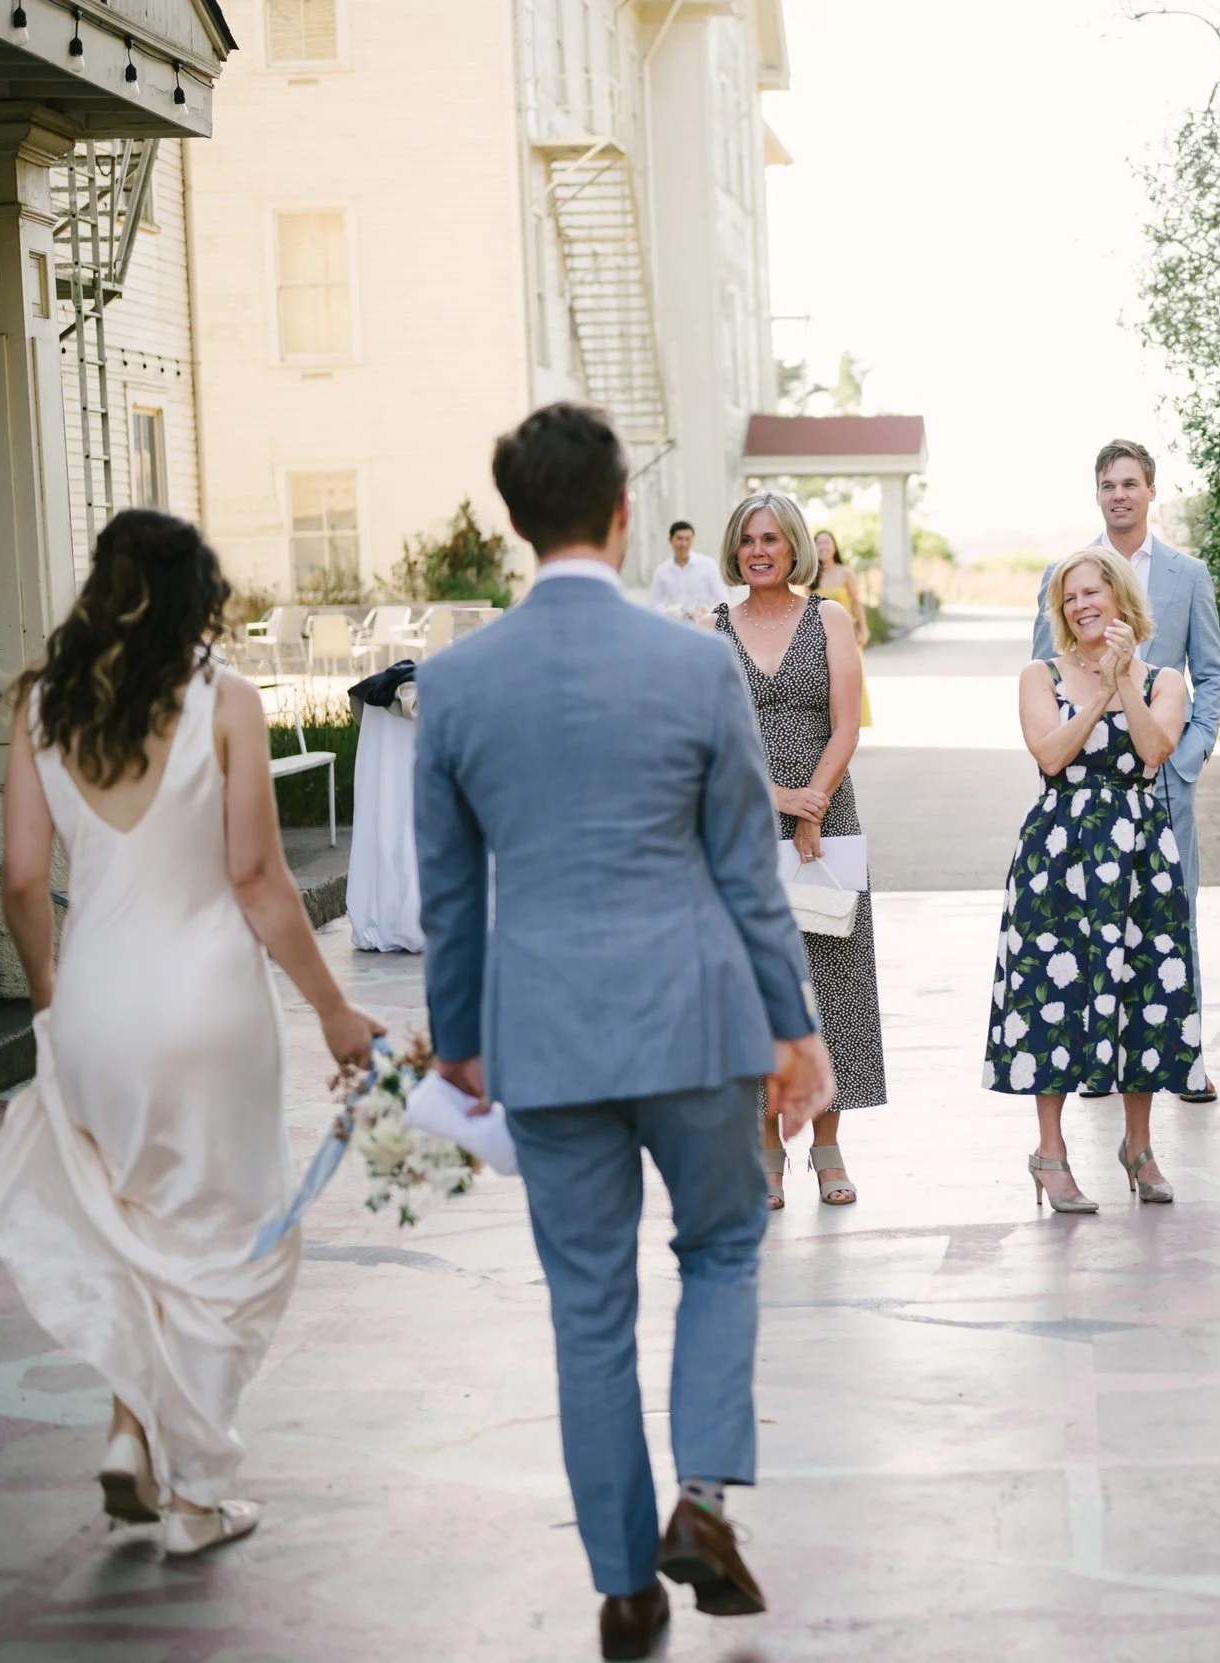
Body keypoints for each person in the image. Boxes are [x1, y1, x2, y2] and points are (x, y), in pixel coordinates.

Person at [416, 404, 836, 1660]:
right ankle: (700, 1498)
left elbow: (449, 895)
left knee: (587, 1307)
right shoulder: (692, 661)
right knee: (718, 1251)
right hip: (697, 1020)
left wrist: (458, 1042)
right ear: (617, 516)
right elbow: (746, 871)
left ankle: (621, 1585)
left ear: (514, 522)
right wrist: (794, 1028)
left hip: (545, 1035)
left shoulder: (456, 679)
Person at [0, 509, 384, 1556]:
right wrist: (334, 1008)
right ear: (199, 593)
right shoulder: (224, 701)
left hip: (97, 998)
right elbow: (254, 877)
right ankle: (194, 1497)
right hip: (209, 1009)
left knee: (133, 1223)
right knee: (224, 1236)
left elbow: (21, 878)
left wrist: (49, 989)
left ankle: (126, 1433)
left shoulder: (40, 704)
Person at [988, 549, 1198, 1209]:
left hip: (1140, 855)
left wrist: (1124, 682)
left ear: (1120, 602)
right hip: (1058, 853)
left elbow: (1155, 751)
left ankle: (1138, 1145)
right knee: (1053, 993)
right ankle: (1049, 1153)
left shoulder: (1165, 681)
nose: (1081, 604)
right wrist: (1098, 694)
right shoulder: (1038, 674)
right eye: (1069, 596)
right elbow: (1050, 756)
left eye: (1092, 593)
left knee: (1143, 993)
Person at [1030, 440, 1220, 1103]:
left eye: (1131, 483)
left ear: (1150, 491)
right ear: (1098, 493)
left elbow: (1208, 674)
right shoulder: (1068, 574)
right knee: (1091, 921)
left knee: (1173, 915)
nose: (1120, 494)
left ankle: (1186, 1058)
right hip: (1087, 787)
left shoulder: (1188, 574)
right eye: (1109, 484)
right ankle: (1098, 1055)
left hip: (1163, 771)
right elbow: (1048, 672)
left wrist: (1189, 756)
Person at [714, 495, 888, 1208]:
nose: (761, 550)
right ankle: (764, 1149)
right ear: (736, 548)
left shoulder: (830, 617)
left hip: (827, 819)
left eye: (774, 539)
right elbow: (709, 738)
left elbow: (846, 723)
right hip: (741, 824)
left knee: (833, 982)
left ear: (793, 549)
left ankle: (827, 1145)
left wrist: (813, 799)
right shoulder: (712, 629)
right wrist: (780, 799)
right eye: (749, 539)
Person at [811, 528, 874, 727]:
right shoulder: (811, 575)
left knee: (851, 680)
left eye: (826, 542)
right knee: (826, 682)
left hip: (847, 635)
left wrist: (863, 627)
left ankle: (851, 725)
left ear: (834, 546)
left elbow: (856, 601)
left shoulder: (845, 572)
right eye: (819, 543)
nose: (823, 547)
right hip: (820, 637)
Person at [647, 518, 731, 617]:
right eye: (679, 539)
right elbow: (655, 603)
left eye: (688, 539)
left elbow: (723, 600)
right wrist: (669, 613)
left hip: (705, 625)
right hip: (675, 626)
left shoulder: (708, 565)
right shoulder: (662, 571)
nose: (683, 544)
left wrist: (707, 612)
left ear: (693, 540)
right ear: (670, 539)